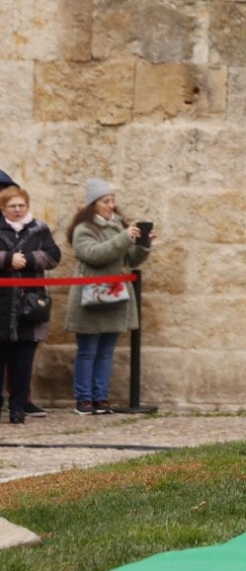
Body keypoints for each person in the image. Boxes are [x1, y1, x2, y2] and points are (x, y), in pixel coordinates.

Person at [63, 179, 152, 415]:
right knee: (87, 350)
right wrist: (125, 237)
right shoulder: (84, 230)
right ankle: (84, 399)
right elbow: (95, 254)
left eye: (112, 201)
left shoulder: (117, 227)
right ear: (94, 204)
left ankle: (100, 398)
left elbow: (129, 260)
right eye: (106, 201)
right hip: (89, 300)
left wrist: (142, 245)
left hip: (114, 297)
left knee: (106, 352)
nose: (111, 205)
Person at [1, 185, 61, 423]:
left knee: (23, 361)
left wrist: (26, 260)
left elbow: (53, 255)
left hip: (29, 305)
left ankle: (18, 408)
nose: (17, 210)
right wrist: (6, 259)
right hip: (3, 305)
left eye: (21, 205)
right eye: (12, 206)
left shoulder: (39, 229)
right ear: (3, 208)